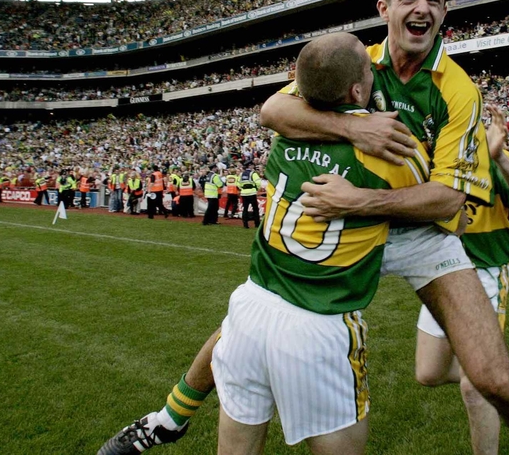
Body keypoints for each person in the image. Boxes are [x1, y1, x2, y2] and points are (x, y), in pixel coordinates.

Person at [260, 0, 509, 455]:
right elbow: (273, 111)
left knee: (493, 377)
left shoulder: (459, 89)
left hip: (421, 233)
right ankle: (173, 412)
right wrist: (355, 127)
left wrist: (360, 201)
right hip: (352, 232)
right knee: (255, 319)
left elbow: (448, 197)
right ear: (384, 8)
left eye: (435, 0)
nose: (422, 8)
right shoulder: (356, 61)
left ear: (444, 13)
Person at [98, 33, 432, 455]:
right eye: (369, 71)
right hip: (321, 324)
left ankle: (171, 417)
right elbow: (445, 207)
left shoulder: (283, 137)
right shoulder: (393, 153)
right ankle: (169, 417)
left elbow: (282, 107)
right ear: (356, 89)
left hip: (250, 311)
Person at [415, 105, 509, 455]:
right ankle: (501, 377)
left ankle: (487, 375)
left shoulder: (486, 149)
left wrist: (499, 159)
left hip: (485, 266)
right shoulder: (427, 155)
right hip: (442, 268)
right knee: (428, 372)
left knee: (476, 387)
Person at [237, 162, 259, 229]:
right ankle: (257, 224)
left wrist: (242, 188)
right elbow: (258, 182)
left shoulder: (241, 174)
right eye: (252, 165)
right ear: (250, 166)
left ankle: (245, 224)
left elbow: (238, 184)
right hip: (252, 193)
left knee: (245, 209)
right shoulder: (253, 174)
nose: (253, 166)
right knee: (255, 209)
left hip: (244, 193)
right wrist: (256, 188)